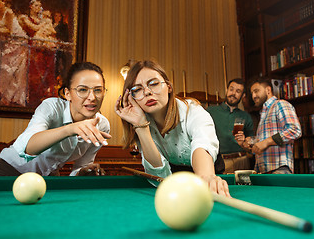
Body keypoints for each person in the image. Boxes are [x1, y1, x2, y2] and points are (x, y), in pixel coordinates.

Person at [114, 60, 230, 196]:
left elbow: (202, 144)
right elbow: (159, 175)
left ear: (168, 87)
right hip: (174, 183)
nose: (147, 92)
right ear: (131, 98)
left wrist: (206, 177)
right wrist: (140, 125)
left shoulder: (193, 110)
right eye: (137, 89)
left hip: (210, 174)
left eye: (154, 84)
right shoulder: (142, 121)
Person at [0, 62, 111, 176]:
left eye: (98, 90)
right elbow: (28, 148)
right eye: (82, 90)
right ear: (67, 93)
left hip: (47, 179)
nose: (92, 97)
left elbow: (80, 167)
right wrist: (70, 129)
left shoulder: (102, 125)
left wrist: (85, 171)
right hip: (11, 171)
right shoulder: (51, 107)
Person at [245, 76, 301, 174]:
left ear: (268, 90)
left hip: (279, 169)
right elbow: (262, 145)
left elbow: (295, 130)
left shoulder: (280, 104)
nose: (253, 96)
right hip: (263, 171)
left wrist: (266, 142)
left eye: (256, 91)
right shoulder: (263, 113)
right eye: (252, 93)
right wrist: (251, 144)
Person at [207, 78, 254, 174]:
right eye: (231, 89)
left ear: (242, 95)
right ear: (226, 90)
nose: (233, 93)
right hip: (221, 162)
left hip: (242, 161)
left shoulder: (246, 116)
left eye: (238, 91)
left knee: (245, 189)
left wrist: (245, 141)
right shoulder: (211, 111)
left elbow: (251, 142)